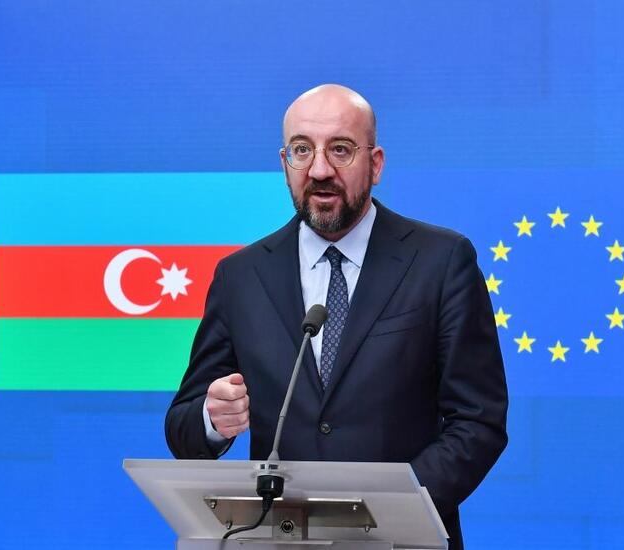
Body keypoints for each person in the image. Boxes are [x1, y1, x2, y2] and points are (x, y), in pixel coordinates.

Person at [165, 84, 508, 549]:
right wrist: (212, 418)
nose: (320, 169)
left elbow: (478, 421)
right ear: (284, 163)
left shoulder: (441, 262)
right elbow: (183, 429)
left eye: (340, 149)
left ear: (376, 163)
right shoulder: (240, 276)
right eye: (302, 150)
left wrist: (388, 509)